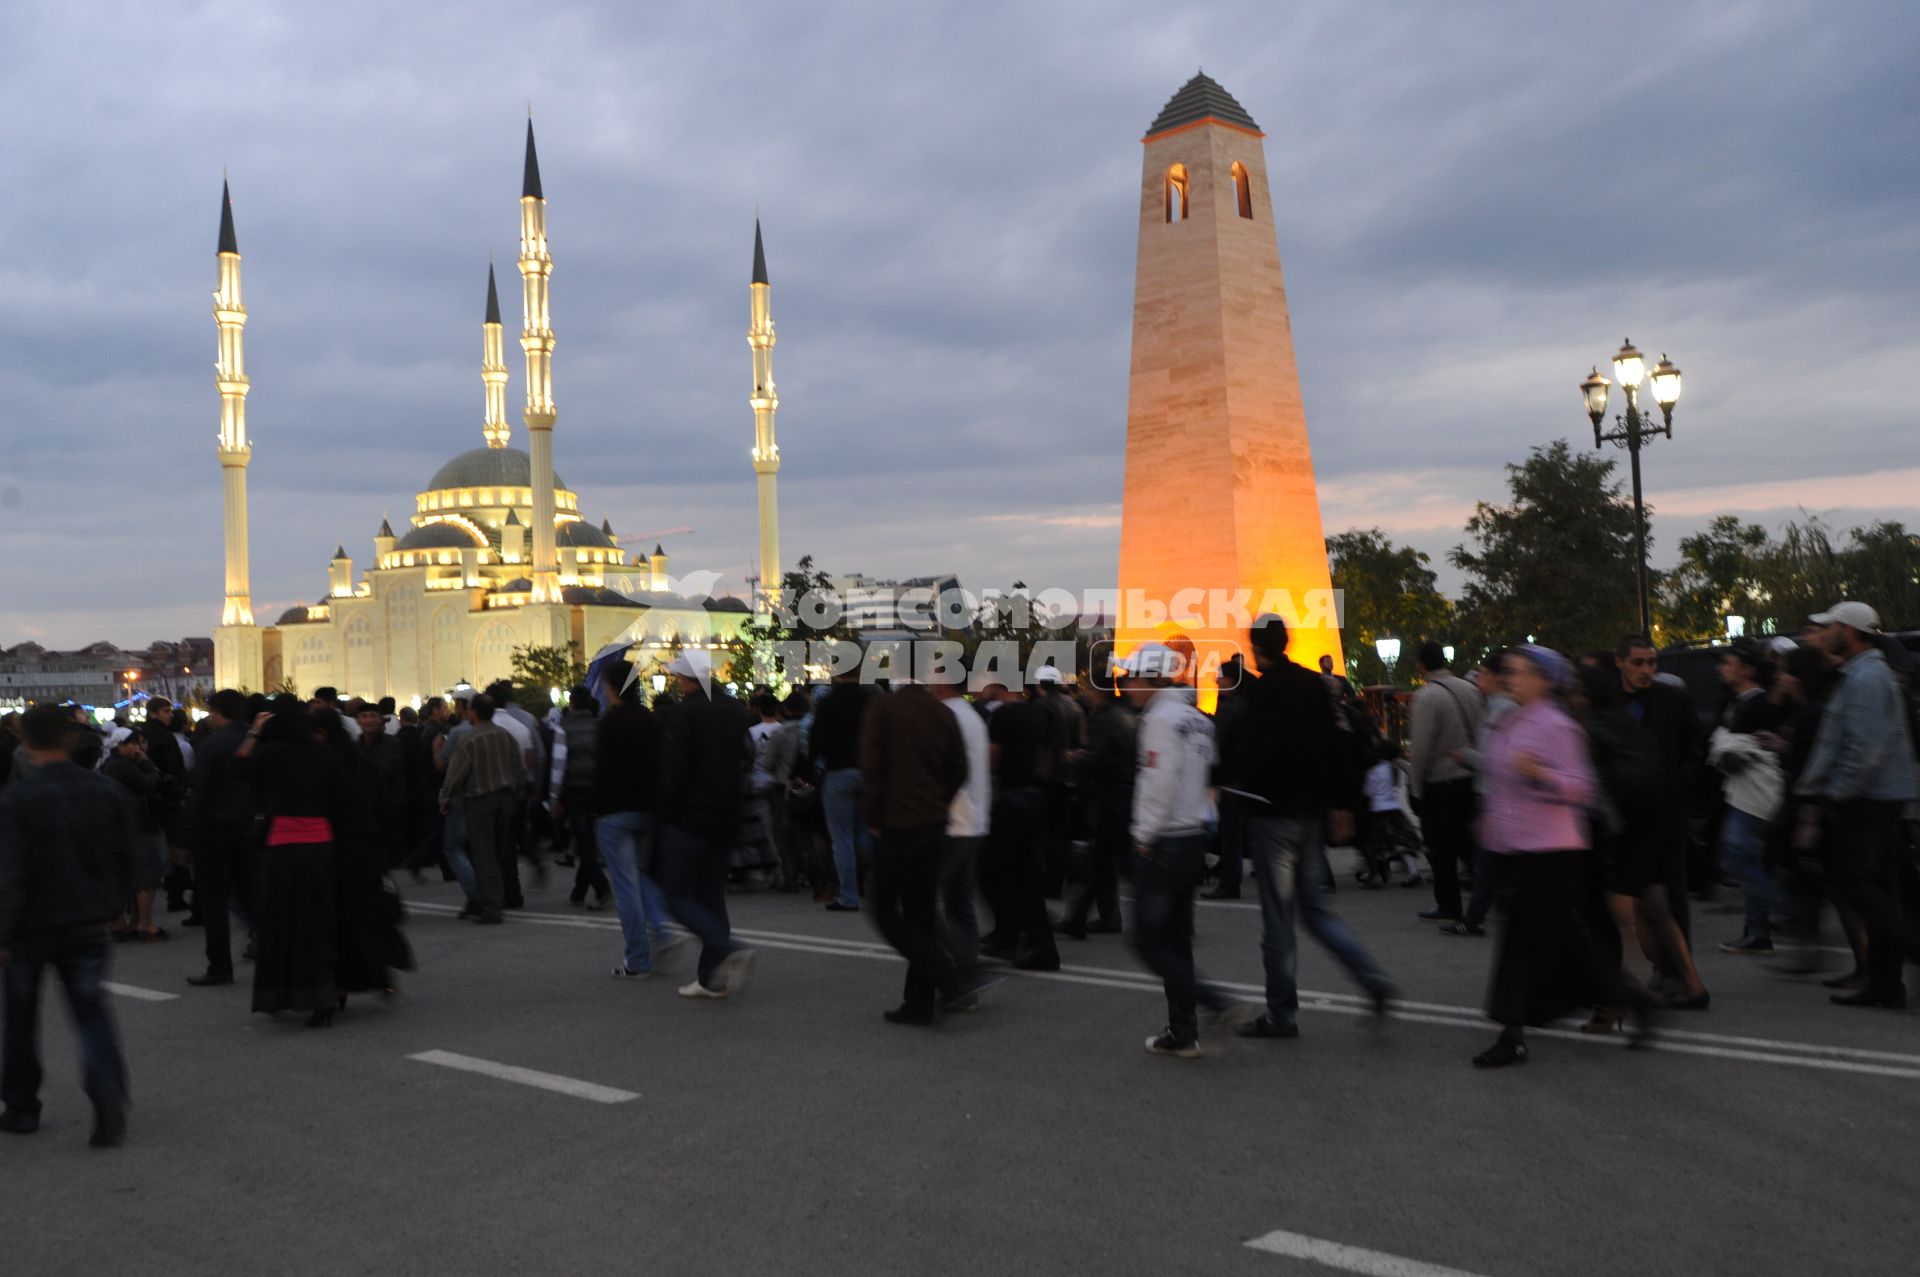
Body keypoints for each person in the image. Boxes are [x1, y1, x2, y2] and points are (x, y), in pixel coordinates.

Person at [1472, 646, 1647, 1067]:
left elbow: (1580, 787)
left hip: (1554, 850)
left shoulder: (1557, 725)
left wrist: (1539, 774)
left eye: (1520, 672)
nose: (1511, 678)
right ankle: (1626, 998)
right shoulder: (1511, 720)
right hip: (1520, 846)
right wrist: (1490, 822)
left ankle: (1514, 1033)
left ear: (1544, 679)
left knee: (1531, 943)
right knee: (1551, 943)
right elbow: (1502, 782)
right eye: (1510, 672)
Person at [1228, 615, 1395, 1041]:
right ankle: (1370, 977)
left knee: (1278, 922)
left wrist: (1232, 778)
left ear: (1255, 649)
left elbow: (1257, 752)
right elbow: (1335, 746)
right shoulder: (1313, 685)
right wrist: (1341, 804)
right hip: (1312, 814)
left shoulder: (1262, 692)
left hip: (1273, 815)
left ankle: (1281, 1014)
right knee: (1316, 911)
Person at [0, 703, 139, 1146]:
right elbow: (126, 854)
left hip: (30, 926)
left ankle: (22, 1108)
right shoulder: (103, 789)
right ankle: (107, 1094)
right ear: (68, 739)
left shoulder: (16, 798)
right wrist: (117, 904)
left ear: (25, 740)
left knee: (20, 1020)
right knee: (91, 1011)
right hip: (88, 918)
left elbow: (10, 872)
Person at [1121, 642, 1254, 1058]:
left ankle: (1216, 1002)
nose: (1126, 685)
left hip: (1165, 839)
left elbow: (1158, 785)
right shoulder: (1197, 720)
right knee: (1177, 939)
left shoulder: (1158, 722)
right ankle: (1183, 1031)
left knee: (1147, 940)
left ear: (1152, 678)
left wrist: (1143, 836)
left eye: (1132, 678)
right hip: (1193, 833)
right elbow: (1205, 776)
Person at [1793, 602, 1920, 1010]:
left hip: (1865, 802)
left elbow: (1863, 751)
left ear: (1850, 632)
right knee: (1878, 890)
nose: (1824, 632)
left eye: (1830, 626)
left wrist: (1835, 794)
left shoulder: (1866, 679)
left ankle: (1899, 969)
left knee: (1857, 887)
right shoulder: (1862, 675)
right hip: (1874, 800)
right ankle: (1885, 986)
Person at [860, 676, 971, 1025]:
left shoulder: (884, 707)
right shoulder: (943, 712)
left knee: (885, 910)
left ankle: (944, 972)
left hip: (896, 824)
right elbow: (959, 769)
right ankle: (919, 1003)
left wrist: (874, 817)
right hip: (934, 824)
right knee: (920, 913)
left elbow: (872, 767)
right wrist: (939, 802)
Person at [653, 652, 757, 999]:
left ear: (684, 680)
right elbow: (747, 758)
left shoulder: (687, 714)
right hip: (727, 814)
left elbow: (674, 771)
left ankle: (726, 947)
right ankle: (711, 978)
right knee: (712, 896)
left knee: (676, 894)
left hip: (690, 816)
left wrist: (663, 812)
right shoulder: (735, 710)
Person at [1614, 635, 1710, 1009]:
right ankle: (1658, 969)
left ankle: (1677, 972)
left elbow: (1694, 747)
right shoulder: (1610, 703)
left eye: (1652, 663)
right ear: (1621, 662)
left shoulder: (1672, 699)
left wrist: (1678, 786)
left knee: (1671, 895)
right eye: (1638, 662)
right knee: (1640, 899)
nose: (1646, 670)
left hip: (1667, 816)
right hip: (1628, 818)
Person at [240, 698, 348, 1027]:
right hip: (322, 844)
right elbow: (340, 795)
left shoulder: (272, 754)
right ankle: (325, 995)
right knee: (316, 923)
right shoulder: (325, 754)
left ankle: (281, 993)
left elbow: (241, 765)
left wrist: (255, 732)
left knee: (282, 923)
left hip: (285, 845)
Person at [593, 662, 674, 979]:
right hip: (648, 809)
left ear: (612, 687)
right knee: (642, 875)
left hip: (615, 811)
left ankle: (638, 959)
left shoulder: (610, 723)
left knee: (625, 886)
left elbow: (602, 771)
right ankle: (663, 927)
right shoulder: (651, 721)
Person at [1708, 640, 1787, 955]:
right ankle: (1757, 931)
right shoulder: (1735, 702)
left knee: (1734, 854)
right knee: (1749, 858)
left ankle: (1784, 908)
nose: (1721, 669)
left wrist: (1726, 748)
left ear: (1748, 670)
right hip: (1742, 792)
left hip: (1756, 794)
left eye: (1728, 663)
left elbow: (1750, 750)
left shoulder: (1759, 705)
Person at [979, 676, 1060, 971]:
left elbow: (991, 762)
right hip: (1035, 797)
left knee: (991, 870)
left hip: (1012, 799)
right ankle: (1012, 935)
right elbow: (1045, 760)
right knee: (1021, 872)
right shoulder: (1036, 712)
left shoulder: (1001, 715)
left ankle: (1027, 941)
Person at [183, 690, 256, 986]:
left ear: (218, 712)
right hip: (250, 827)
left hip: (214, 830)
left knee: (215, 903)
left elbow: (201, 792)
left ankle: (220, 966)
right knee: (251, 894)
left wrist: (189, 832)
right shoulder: (256, 740)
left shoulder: (212, 745)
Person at [1407, 640, 1481, 924]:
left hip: (1440, 782)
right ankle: (1489, 893)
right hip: (1468, 775)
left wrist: (1415, 786)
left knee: (1442, 848)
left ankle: (1449, 904)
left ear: (1422, 664)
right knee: (1468, 843)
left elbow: (1421, 748)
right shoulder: (1471, 689)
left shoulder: (1426, 697)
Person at [438, 695, 526, 926]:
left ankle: (491, 907)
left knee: (483, 853)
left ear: (473, 713)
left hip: (480, 800)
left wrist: (445, 798)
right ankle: (499, 896)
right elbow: (519, 768)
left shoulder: (470, 739)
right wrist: (518, 794)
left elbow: (456, 774)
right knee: (498, 850)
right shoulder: (505, 736)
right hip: (505, 798)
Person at [1057, 672, 1134, 939]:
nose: (1086, 692)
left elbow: (1101, 760)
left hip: (1108, 798)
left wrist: (1075, 758)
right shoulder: (1124, 715)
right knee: (1106, 863)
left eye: (1090, 688)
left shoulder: (1104, 719)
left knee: (1100, 861)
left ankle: (1078, 919)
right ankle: (1104, 917)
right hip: (1122, 795)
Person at [931, 673, 992, 977]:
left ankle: (957, 967)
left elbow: (940, 771)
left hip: (953, 820)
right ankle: (967, 965)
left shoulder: (946, 717)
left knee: (923, 899)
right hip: (976, 819)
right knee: (960, 900)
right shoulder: (973, 716)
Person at [99, 727, 169, 942]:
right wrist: (147, 763)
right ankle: (145, 923)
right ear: (120, 745)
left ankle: (126, 923)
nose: (137, 747)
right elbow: (149, 783)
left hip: (119, 825)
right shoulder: (123, 766)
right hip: (135, 824)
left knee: (126, 876)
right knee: (146, 874)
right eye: (133, 743)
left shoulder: (109, 764)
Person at [810, 669, 872, 911]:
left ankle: (849, 895)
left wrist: (810, 770)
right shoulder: (871, 701)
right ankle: (867, 879)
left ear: (837, 674)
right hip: (868, 772)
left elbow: (816, 741)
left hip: (838, 773)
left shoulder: (828, 703)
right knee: (865, 833)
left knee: (841, 838)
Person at [550, 687, 611, 910]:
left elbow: (558, 766)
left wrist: (553, 797)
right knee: (589, 840)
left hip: (574, 789)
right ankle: (579, 889)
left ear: (572, 704)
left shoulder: (563, 728)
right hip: (597, 789)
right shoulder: (599, 727)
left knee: (583, 840)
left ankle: (601, 887)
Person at [1206, 657, 1251, 901]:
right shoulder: (1245, 705)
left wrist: (1211, 776)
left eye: (1220, 676)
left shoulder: (1229, 708)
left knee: (1230, 835)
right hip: (1244, 778)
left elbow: (1215, 741)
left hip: (1231, 780)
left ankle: (1229, 884)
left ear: (1231, 680)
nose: (1216, 680)